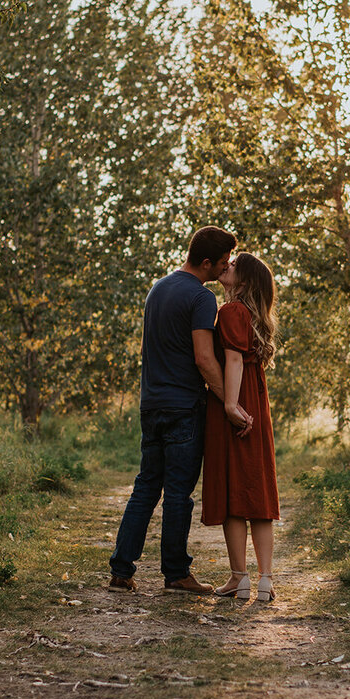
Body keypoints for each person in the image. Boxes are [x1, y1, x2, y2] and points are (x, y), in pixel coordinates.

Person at [108, 226, 252, 594]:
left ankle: (122, 570)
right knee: (177, 494)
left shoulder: (158, 288)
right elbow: (204, 359)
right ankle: (176, 574)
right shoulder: (201, 299)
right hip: (184, 407)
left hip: (151, 403)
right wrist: (229, 403)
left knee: (146, 486)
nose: (224, 270)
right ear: (205, 262)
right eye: (221, 264)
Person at [201, 252, 281, 602]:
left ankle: (239, 578)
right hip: (257, 399)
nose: (225, 266)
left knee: (234, 490)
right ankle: (264, 580)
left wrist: (230, 404)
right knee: (257, 488)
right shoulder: (256, 317)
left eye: (233, 266)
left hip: (237, 396)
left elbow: (233, 359)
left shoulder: (231, 311)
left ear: (244, 281)